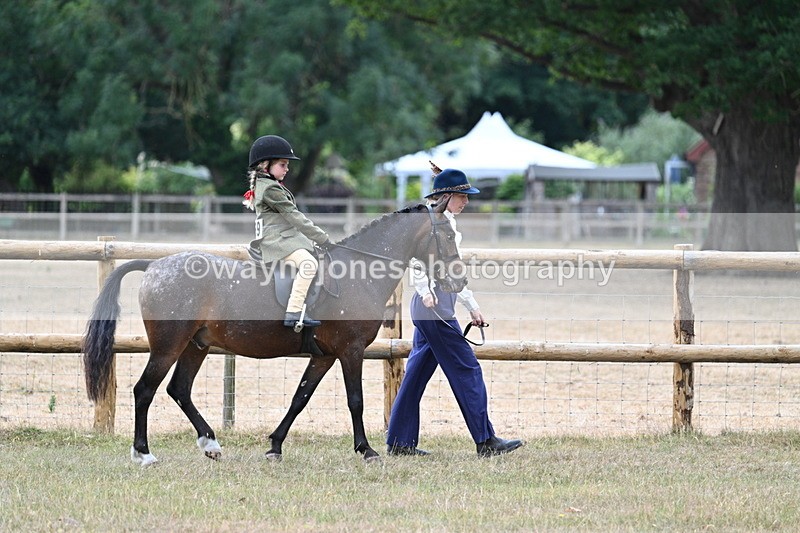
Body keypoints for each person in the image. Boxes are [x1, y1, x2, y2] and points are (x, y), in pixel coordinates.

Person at [386, 167, 524, 457]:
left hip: (435, 308)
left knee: (415, 375)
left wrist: (472, 307)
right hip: (434, 308)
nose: (467, 202)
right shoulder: (432, 224)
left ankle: (399, 442)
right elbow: (418, 263)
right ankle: (486, 441)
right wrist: (424, 292)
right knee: (467, 369)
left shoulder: (445, 224)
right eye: (462, 196)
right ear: (446, 196)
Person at [243, 135, 330, 329]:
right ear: (266, 166)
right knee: (308, 264)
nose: (287, 169)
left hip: (284, 239)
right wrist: (322, 238)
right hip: (276, 242)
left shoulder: (268, 185)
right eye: (283, 164)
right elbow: (295, 217)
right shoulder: (271, 189)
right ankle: (294, 311)